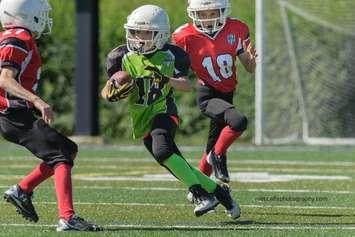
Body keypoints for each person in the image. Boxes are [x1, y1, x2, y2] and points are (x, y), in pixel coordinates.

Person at [101, 4, 240, 219]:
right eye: (136, 31)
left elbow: (186, 85)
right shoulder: (120, 55)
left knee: (163, 151)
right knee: (175, 163)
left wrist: (164, 79)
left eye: (146, 32)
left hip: (164, 111)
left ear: (160, 34)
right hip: (141, 118)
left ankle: (202, 195)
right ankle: (220, 194)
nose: (139, 37)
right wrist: (110, 93)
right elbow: (107, 88)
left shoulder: (173, 54)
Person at [0, 0, 101, 231]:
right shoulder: (19, 38)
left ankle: (22, 190)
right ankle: (67, 217)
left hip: (12, 113)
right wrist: (37, 100)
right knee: (61, 155)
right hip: (13, 114)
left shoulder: (9, 36)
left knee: (67, 149)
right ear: (26, 13)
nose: (44, 18)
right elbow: (5, 78)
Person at [172, 0, 257, 184]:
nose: (208, 18)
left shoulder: (237, 28)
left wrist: (252, 60)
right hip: (208, 95)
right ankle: (218, 156)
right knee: (238, 121)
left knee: (210, 146)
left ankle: (198, 190)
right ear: (194, 13)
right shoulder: (183, 36)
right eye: (202, 14)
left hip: (227, 94)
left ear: (223, 10)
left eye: (212, 13)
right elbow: (178, 72)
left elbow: (249, 67)